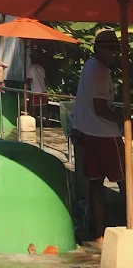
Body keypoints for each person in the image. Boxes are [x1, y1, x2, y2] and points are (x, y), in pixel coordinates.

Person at [73, 29, 125, 243]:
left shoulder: (90, 66)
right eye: (108, 47)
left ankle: (100, 234)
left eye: (115, 48)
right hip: (104, 134)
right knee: (126, 181)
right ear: (97, 48)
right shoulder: (100, 72)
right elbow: (101, 108)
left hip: (87, 131)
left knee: (96, 183)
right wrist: (124, 118)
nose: (112, 52)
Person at [27, 55, 50, 126]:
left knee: (33, 107)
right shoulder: (41, 68)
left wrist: (26, 84)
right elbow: (45, 79)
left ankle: (33, 123)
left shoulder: (30, 68)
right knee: (44, 107)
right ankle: (47, 122)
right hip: (43, 90)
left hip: (35, 90)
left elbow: (29, 80)